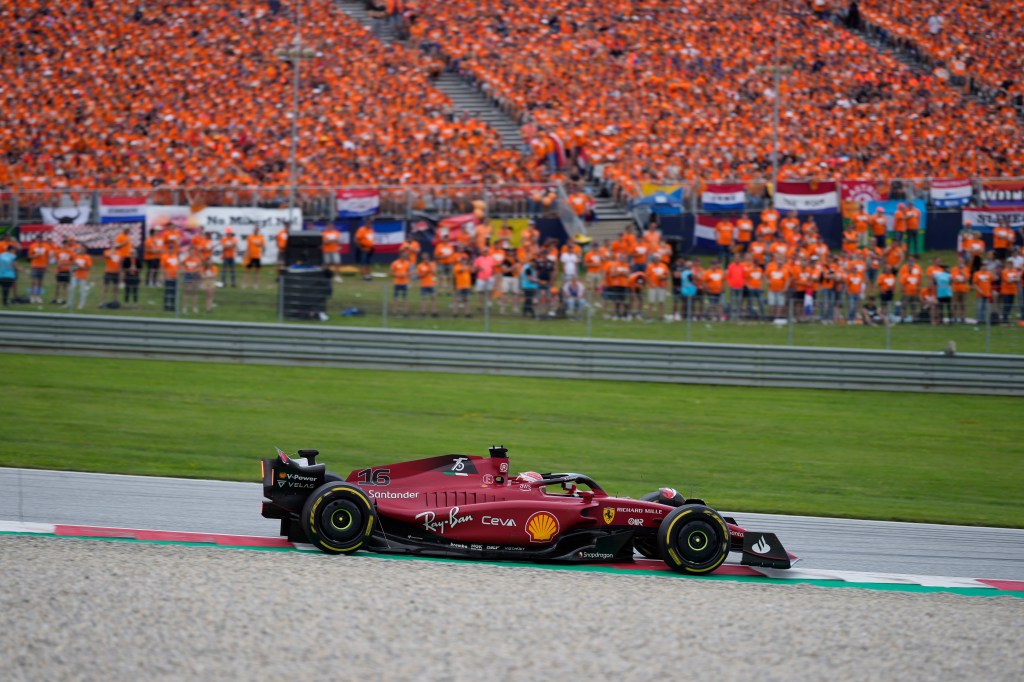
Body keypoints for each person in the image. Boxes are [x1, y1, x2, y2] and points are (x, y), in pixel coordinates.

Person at [27, 234, 51, 304]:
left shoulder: (46, 246)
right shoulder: (32, 246)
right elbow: (29, 256)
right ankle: (32, 296)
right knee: (33, 281)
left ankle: (38, 296)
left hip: (42, 266)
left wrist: (47, 267)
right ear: (36, 239)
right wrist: (35, 255)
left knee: (40, 281)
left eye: (40, 238)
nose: (39, 240)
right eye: (38, 238)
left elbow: (48, 257)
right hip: (34, 265)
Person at [69, 244, 92, 310]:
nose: (81, 250)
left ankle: (81, 304)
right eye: (80, 248)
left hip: (83, 276)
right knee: (72, 288)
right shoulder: (76, 256)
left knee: (82, 290)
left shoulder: (87, 257)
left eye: (82, 248)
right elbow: (73, 265)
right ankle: (70, 303)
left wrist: (81, 267)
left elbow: (89, 268)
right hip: (75, 275)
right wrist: (75, 268)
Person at [416, 251, 438, 317]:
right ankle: (423, 311)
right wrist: (425, 273)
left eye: (426, 258)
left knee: (433, 298)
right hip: (423, 284)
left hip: (431, 284)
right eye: (424, 258)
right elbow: (418, 275)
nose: (425, 260)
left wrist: (429, 265)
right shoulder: (420, 265)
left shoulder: (432, 264)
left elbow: (435, 272)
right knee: (423, 298)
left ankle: (434, 311)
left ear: (428, 258)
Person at [389, 251, 412, 316]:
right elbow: (391, 273)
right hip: (397, 283)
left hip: (404, 283)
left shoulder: (407, 263)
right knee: (395, 297)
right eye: (404, 256)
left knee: (405, 298)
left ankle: (405, 312)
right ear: (400, 256)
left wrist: (405, 275)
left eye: (405, 256)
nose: (405, 257)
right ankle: (394, 312)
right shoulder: (395, 263)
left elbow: (409, 272)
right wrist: (397, 275)